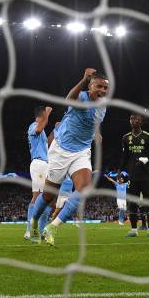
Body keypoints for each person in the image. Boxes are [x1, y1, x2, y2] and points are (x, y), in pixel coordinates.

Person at [29, 68, 108, 246]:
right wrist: (83, 79)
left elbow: (92, 120)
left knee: (84, 188)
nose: (103, 91)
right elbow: (68, 99)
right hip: (61, 149)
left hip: (81, 151)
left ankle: (52, 227)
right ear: (90, 86)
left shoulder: (103, 105)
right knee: (49, 196)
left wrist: (96, 133)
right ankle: (33, 222)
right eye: (99, 86)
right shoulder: (81, 97)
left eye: (105, 88)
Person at [118, 114, 149, 237]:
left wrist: (146, 160)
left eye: (136, 119)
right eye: (131, 119)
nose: (134, 121)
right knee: (132, 203)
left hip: (146, 175)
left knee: (148, 202)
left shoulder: (148, 137)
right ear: (129, 121)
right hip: (132, 176)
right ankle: (134, 230)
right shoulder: (126, 138)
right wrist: (119, 171)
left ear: (141, 122)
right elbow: (124, 157)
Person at [24, 105, 52, 240]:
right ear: (40, 116)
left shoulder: (42, 132)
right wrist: (48, 113)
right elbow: (39, 128)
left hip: (44, 165)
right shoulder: (34, 126)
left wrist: (55, 130)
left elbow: (48, 143)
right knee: (37, 197)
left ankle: (41, 230)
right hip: (38, 164)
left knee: (46, 198)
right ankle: (29, 230)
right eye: (44, 116)